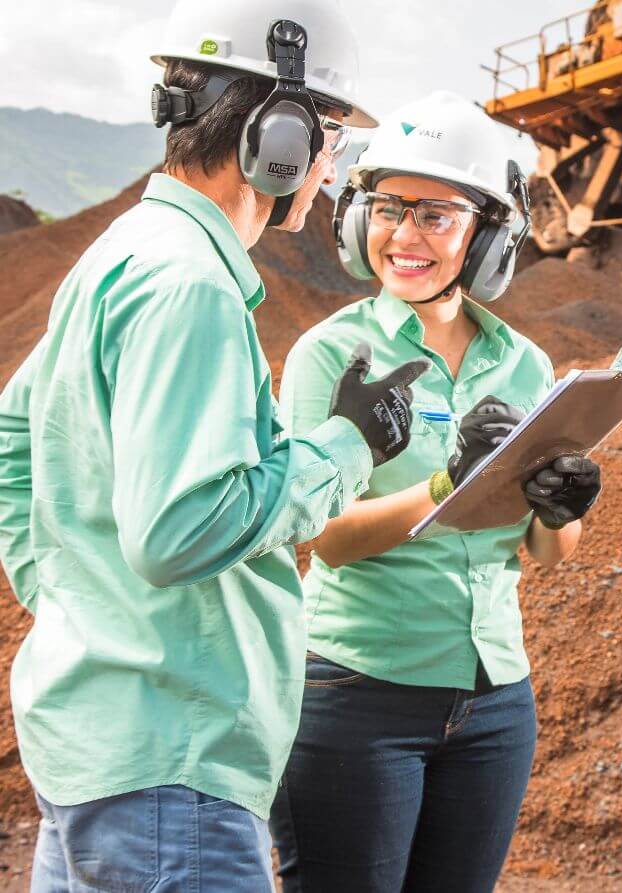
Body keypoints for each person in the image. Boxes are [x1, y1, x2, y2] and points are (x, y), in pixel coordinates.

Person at [0, 2, 429, 890]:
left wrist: (70, 595)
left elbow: (11, 436)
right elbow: (179, 531)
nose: (328, 168)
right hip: (172, 770)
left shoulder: (127, 250)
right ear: (281, 135)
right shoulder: (189, 283)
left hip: (104, 749)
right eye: (332, 139)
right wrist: (347, 443)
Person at [270, 91, 602, 893]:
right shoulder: (330, 354)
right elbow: (325, 538)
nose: (403, 235)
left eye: (435, 216)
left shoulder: (523, 364)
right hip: (354, 695)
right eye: (386, 208)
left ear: (488, 235)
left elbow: (541, 554)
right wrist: (447, 482)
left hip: (494, 700)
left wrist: (561, 510)